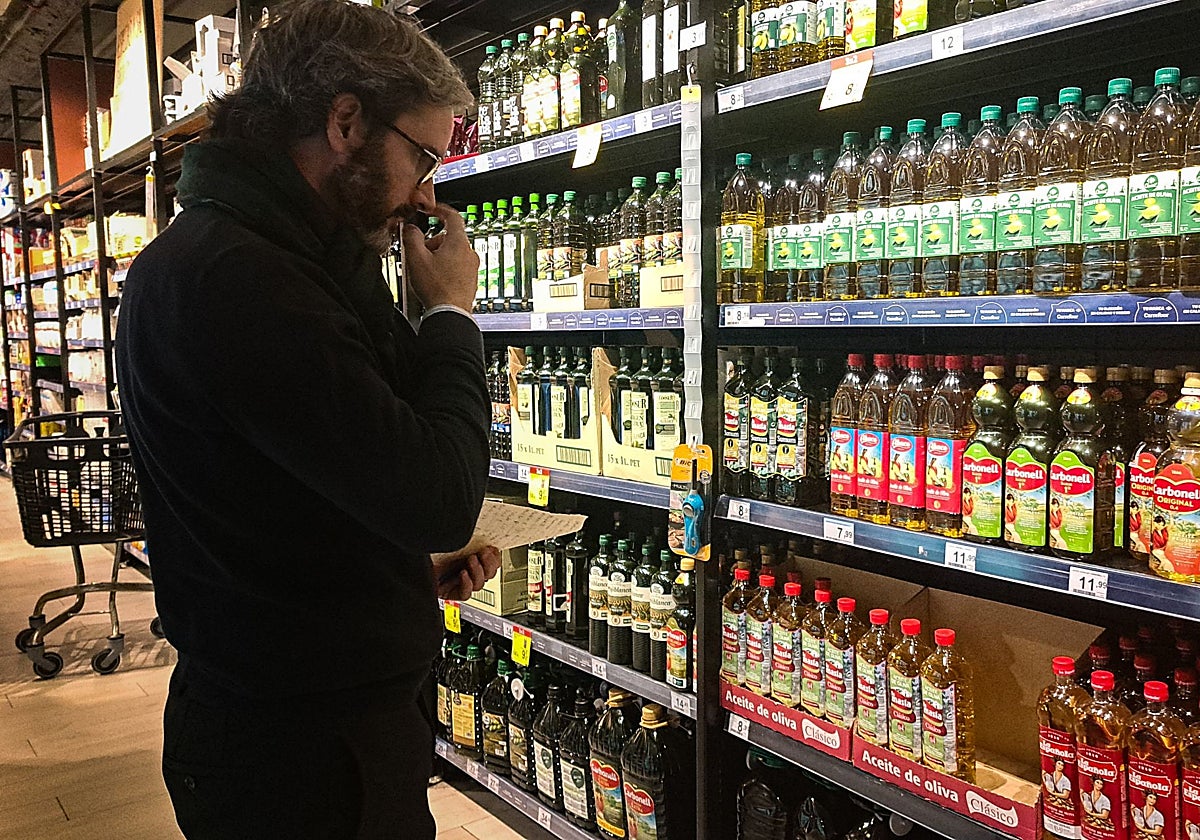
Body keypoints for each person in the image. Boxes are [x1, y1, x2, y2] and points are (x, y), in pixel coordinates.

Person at [114, 2, 499, 837]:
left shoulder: (270, 257)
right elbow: (437, 493)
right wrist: (450, 317)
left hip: (302, 718)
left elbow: (292, 485)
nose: (426, 192)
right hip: (303, 757)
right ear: (347, 121)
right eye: (424, 156)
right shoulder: (247, 282)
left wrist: (391, 566)